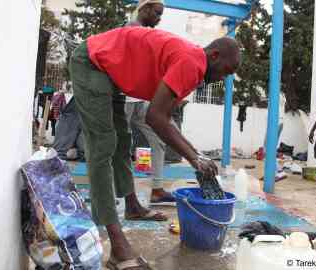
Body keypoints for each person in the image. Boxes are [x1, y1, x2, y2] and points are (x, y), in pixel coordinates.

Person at [69, 26, 240, 269]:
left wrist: (196, 154)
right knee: (102, 145)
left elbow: (165, 117)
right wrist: (194, 159)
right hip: (92, 62)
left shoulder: (193, 65)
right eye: (226, 70)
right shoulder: (193, 63)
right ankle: (118, 247)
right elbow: (155, 118)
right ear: (214, 56)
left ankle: (132, 206)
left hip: (111, 73)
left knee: (122, 141)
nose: (224, 78)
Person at [125, 0, 177, 207]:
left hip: (140, 100)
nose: (159, 18)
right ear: (144, 9)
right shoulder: (130, 30)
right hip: (124, 98)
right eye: (157, 13)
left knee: (159, 138)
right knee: (119, 146)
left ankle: (157, 189)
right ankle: (116, 195)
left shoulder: (146, 33)